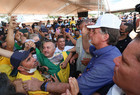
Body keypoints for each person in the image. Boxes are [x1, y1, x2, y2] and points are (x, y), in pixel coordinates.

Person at [22, 14, 121, 95]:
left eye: (94, 32)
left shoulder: (107, 62)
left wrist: (40, 85)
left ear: (105, 37)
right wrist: (85, 34)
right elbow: (87, 48)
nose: (90, 33)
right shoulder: (105, 50)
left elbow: (75, 87)